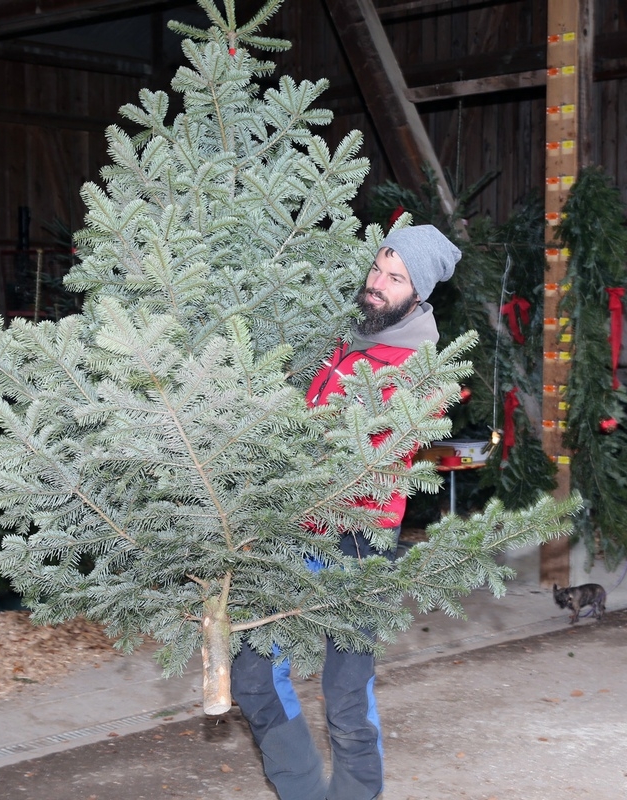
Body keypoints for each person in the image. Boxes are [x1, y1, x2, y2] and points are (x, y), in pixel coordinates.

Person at [230, 224, 460, 800]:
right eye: (377, 268)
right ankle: (302, 792)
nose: (377, 283)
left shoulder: (416, 366)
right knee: (254, 675)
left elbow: (369, 452)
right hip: (294, 528)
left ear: (418, 292)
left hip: (358, 538)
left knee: (346, 693)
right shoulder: (348, 339)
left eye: (395, 278)